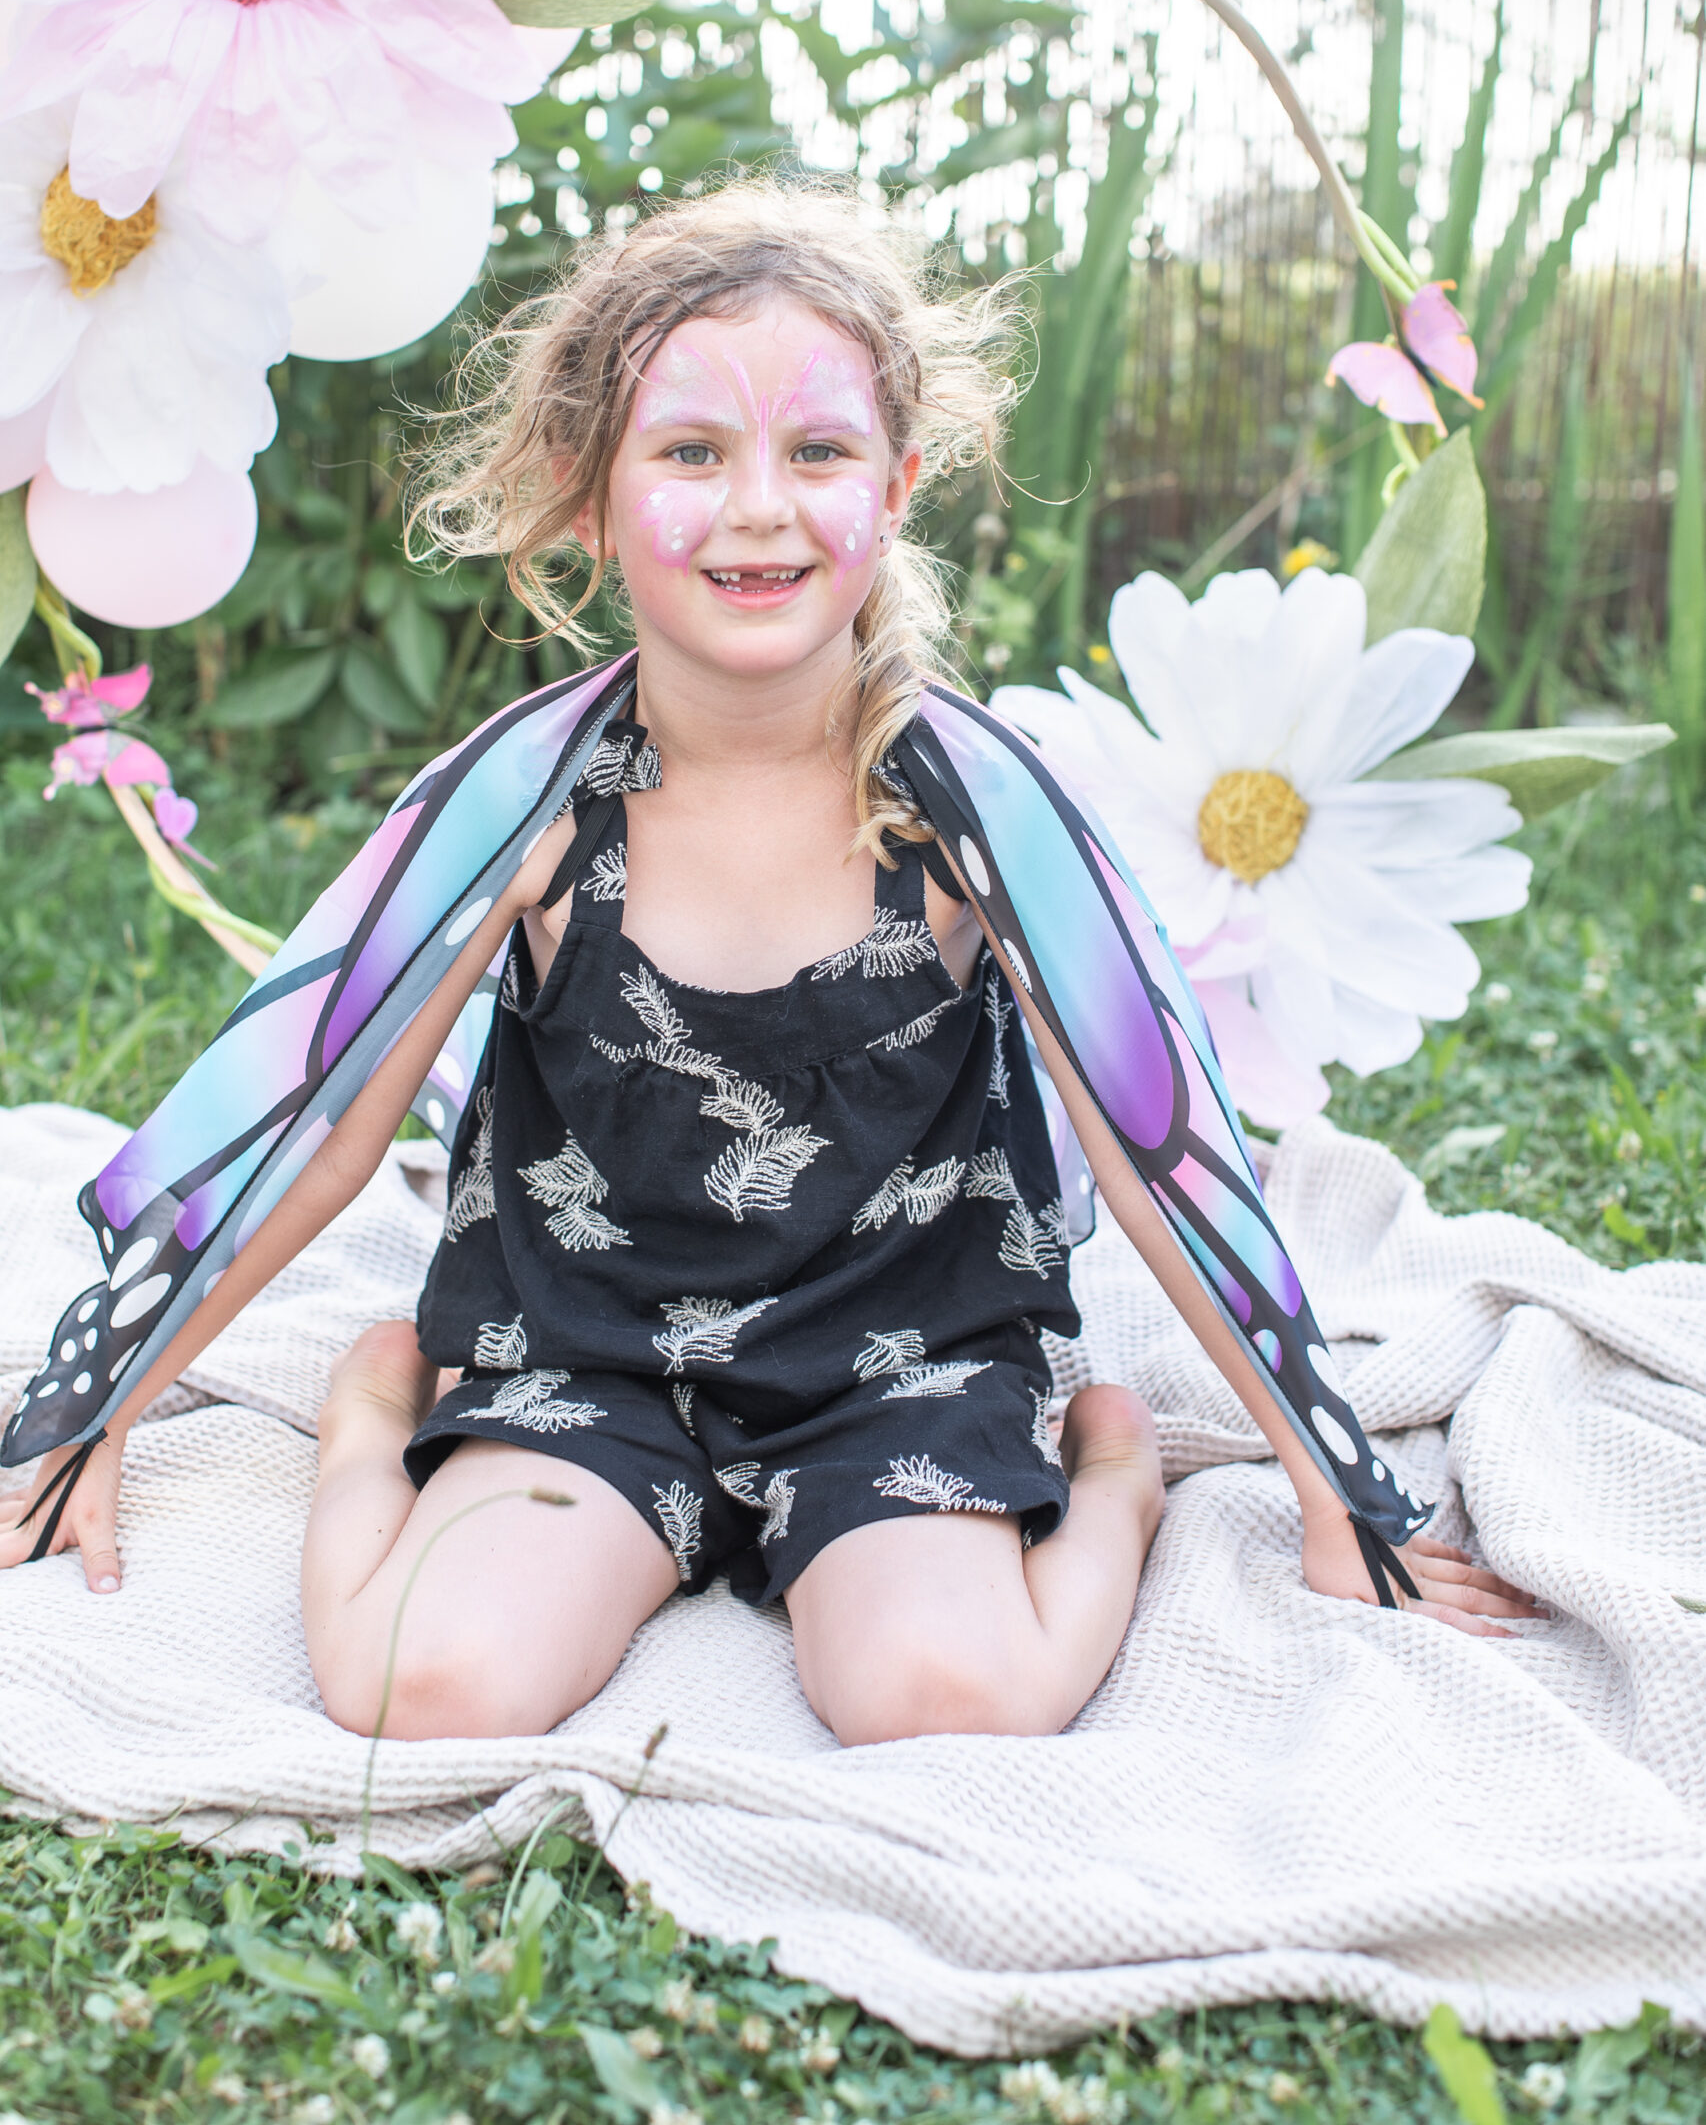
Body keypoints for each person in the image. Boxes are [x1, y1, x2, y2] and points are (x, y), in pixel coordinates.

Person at [0, 184, 1537, 1740]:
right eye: (689, 452)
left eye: (816, 452)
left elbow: (1161, 1148)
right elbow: (308, 1113)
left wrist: (1334, 1489)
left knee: (945, 1699)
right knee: (423, 1684)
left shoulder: (974, 808)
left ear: (898, 486)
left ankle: (1116, 1477)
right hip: (580, 1355)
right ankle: (366, 1423)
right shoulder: (524, 797)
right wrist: (91, 1411)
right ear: (589, 499)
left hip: (903, 1361)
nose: (757, 507)